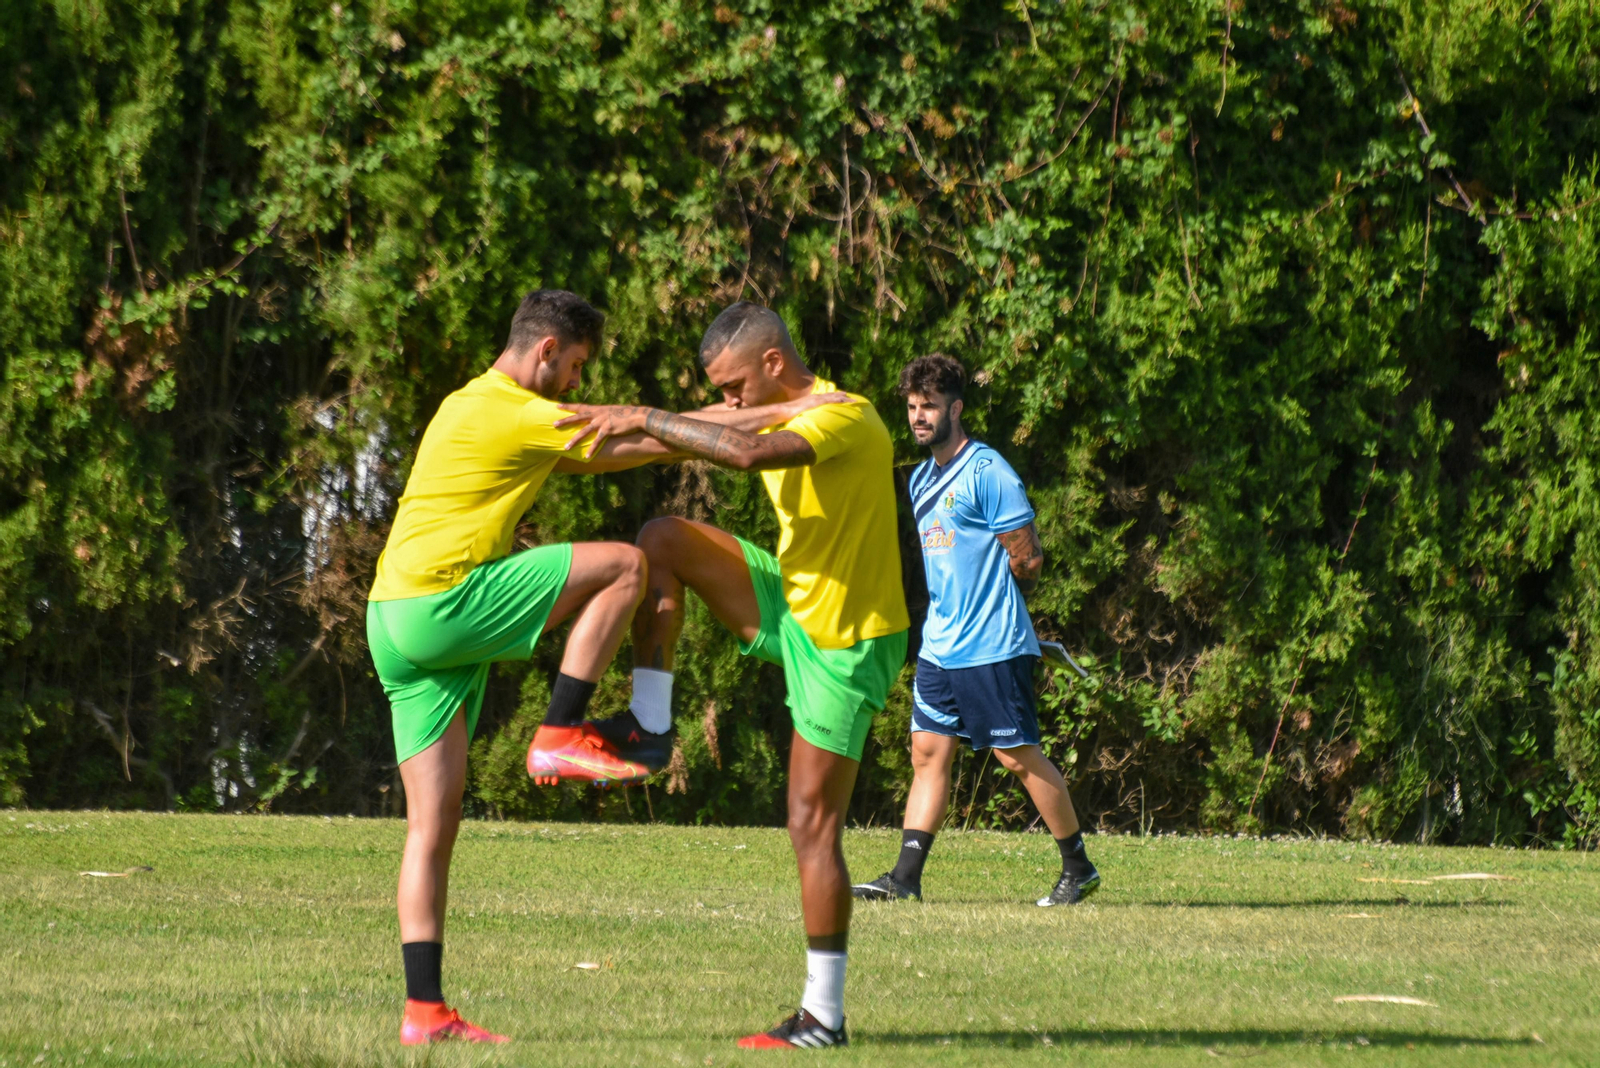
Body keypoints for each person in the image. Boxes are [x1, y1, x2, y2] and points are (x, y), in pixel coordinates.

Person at [366, 290, 835, 1045]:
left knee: (432, 825)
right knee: (625, 565)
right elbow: (640, 444)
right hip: (438, 602)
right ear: (546, 351)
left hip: (392, 620)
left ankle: (424, 1012)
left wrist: (727, 420)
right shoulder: (509, 407)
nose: (579, 385)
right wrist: (773, 418)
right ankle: (559, 729)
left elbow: (634, 437)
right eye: (577, 366)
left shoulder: (465, 403)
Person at [558, 302, 910, 1049]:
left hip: (846, 640)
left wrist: (650, 417)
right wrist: (579, 441)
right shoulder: (766, 405)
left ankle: (823, 1018)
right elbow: (684, 431)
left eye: (734, 387)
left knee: (810, 826)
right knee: (661, 540)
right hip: (792, 600)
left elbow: (742, 452)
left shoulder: (847, 416)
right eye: (719, 390)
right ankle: (651, 726)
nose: (727, 403)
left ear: (774, 364)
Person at [851, 353, 1100, 908]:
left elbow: (1029, 558)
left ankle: (1078, 868)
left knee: (1016, 756)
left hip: (992, 646)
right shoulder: (918, 479)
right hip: (940, 647)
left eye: (930, 407)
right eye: (913, 408)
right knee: (928, 753)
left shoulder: (989, 472)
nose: (919, 417)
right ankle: (905, 879)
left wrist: (999, 605)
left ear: (956, 409)